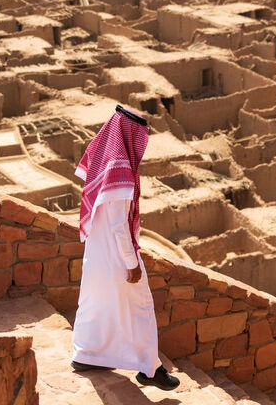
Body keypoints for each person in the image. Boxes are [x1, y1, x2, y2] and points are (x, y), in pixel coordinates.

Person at [70, 105, 180, 391]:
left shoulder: (105, 157)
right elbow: (119, 224)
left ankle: (86, 354)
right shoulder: (121, 170)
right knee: (141, 307)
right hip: (117, 255)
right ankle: (150, 368)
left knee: (95, 303)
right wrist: (131, 263)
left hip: (97, 250)